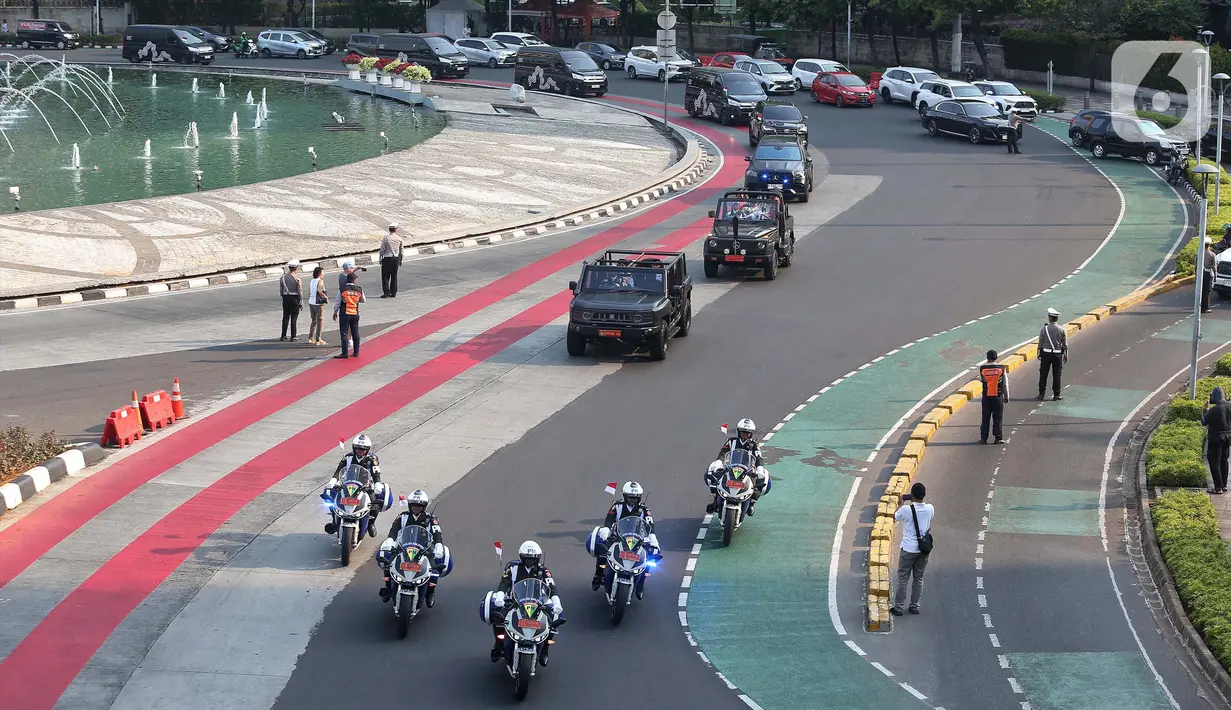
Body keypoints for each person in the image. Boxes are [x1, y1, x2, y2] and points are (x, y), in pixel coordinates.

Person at [486, 541, 564, 663]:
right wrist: (500, 596)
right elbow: (504, 583)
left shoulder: (544, 571)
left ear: (538, 558)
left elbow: (551, 586)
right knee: (498, 617)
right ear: (522, 557)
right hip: (515, 602)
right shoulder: (513, 569)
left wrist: (556, 602)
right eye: (527, 559)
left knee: (553, 621)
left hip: (538, 603)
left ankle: (545, 649)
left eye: (533, 559)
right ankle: (498, 644)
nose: (530, 562)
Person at [377, 489, 446, 603]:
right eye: (414, 505)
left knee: (435, 565)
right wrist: (390, 540)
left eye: (419, 505)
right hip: (403, 547)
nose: (416, 507)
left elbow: (437, 533)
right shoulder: (402, 517)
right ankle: (388, 587)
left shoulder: (431, 519)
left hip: (424, 549)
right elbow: (394, 530)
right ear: (409, 505)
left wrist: (438, 545)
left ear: (424, 506)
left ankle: (430, 591)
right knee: (388, 561)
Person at [591, 481, 661, 592]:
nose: (632, 500)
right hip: (617, 537)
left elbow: (650, 524)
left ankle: (641, 581)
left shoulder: (644, 510)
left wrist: (652, 537)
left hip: (638, 539)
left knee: (650, 558)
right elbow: (609, 518)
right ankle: (599, 574)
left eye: (635, 498)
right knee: (603, 551)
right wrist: (606, 529)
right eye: (630, 497)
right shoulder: (617, 506)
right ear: (625, 496)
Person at [322, 434, 386, 536]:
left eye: (363, 449)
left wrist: (377, 483)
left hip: (365, 486)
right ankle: (334, 521)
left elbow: (376, 473)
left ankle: (371, 523)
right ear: (354, 448)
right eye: (358, 448)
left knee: (374, 502)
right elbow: (338, 471)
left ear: (367, 450)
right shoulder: (348, 458)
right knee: (331, 497)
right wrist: (333, 481)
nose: (360, 451)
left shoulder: (372, 459)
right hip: (347, 484)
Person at [706, 418, 770, 516]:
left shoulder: (754, 445)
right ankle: (715, 500)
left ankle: (751, 503)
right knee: (714, 476)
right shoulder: (731, 441)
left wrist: (759, 468)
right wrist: (718, 461)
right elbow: (723, 452)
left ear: (751, 434)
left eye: (748, 433)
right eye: (743, 432)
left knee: (759, 482)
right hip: (730, 467)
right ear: (739, 431)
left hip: (747, 470)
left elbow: (758, 457)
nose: (745, 434)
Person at [891, 482, 933, 616]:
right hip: (923, 550)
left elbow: (894, 517)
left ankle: (898, 607)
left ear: (912, 495)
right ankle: (914, 606)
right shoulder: (930, 509)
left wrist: (900, 504)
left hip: (908, 549)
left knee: (903, 578)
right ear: (924, 495)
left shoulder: (906, 510)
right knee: (918, 578)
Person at [1204, 387, 1231, 494]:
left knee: (1214, 462)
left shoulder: (1215, 409)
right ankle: (1224, 485)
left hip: (1216, 439)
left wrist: (1205, 410)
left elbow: (1204, 421)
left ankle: (1218, 487)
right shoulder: (1229, 405)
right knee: (1224, 460)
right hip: (1228, 437)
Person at [979, 349, 1009, 444]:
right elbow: (1005, 384)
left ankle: (984, 438)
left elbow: (981, 380)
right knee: (998, 417)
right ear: (996, 358)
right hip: (998, 396)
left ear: (987, 358)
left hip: (986, 397)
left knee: (985, 417)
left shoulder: (982, 369)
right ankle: (998, 437)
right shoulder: (1001, 369)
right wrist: (1006, 396)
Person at [1037, 307, 1068, 400]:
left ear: (1050, 318)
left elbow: (1040, 342)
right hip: (1057, 355)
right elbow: (1065, 344)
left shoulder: (1044, 329)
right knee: (1057, 374)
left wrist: (1038, 352)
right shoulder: (1062, 329)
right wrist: (1066, 355)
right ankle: (1056, 394)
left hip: (1046, 354)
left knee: (1043, 374)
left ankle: (1041, 394)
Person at [334, 272, 365, 359]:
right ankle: (356, 352)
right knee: (355, 333)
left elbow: (337, 302)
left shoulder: (342, 289)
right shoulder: (359, 289)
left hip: (345, 313)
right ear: (354, 280)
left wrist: (335, 312)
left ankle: (344, 353)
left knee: (344, 333)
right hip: (355, 313)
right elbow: (363, 300)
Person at [279, 259, 302, 341]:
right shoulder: (297, 278)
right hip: (294, 298)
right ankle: (293, 336)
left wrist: (284, 297)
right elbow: (299, 291)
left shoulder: (283, 277)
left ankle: (283, 335)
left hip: (285, 298)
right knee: (294, 317)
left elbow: (281, 290)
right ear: (296, 268)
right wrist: (300, 301)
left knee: (285, 317)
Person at [380, 222, 404, 298]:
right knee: (394, 276)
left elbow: (382, 249)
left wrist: (380, 257)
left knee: (385, 276)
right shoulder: (399, 238)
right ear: (396, 229)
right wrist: (400, 260)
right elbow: (401, 251)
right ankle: (393, 292)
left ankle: (386, 292)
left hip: (387, 258)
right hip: (395, 258)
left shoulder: (386, 238)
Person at [307, 266, 327, 345]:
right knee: (320, 321)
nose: (323, 275)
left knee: (313, 321)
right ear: (320, 274)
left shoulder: (312, 281)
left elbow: (309, 292)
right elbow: (319, 291)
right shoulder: (320, 281)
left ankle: (311, 337)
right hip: (318, 303)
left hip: (311, 302)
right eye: (323, 273)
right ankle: (319, 339)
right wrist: (325, 297)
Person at [1202, 243, 1217, 314]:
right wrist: (1215, 276)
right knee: (1207, 291)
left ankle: (1200, 306)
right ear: (1209, 246)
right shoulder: (1212, 254)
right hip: (1208, 273)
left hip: (1200, 273)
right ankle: (1206, 308)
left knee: (1201, 290)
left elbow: (1196, 265)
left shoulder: (1199, 253)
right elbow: (1214, 266)